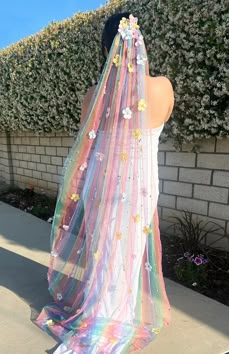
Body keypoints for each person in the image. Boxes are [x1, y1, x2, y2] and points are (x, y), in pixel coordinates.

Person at [36, 12, 174, 354]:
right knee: (128, 253)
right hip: (141, 187)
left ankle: (101, 311)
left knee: (101, 252)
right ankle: (119, 313)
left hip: (102, 186)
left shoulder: (94, 95)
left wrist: (73, 194)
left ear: (105, 49)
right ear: (142, 44)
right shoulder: (163, 88)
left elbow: (86, 148)